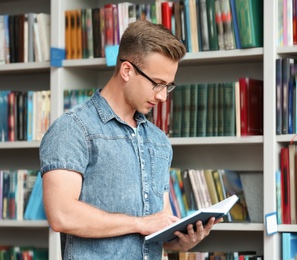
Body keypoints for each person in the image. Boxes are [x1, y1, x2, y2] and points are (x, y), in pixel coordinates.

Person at [39, 20, 218, 260]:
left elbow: (155, 230)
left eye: (169, 86)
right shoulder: (73, 129)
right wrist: (139, 223)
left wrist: (181, 241)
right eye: (157, 84)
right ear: (126, 71)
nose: (163, 96)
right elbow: (61, 214)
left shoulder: (159, 141)